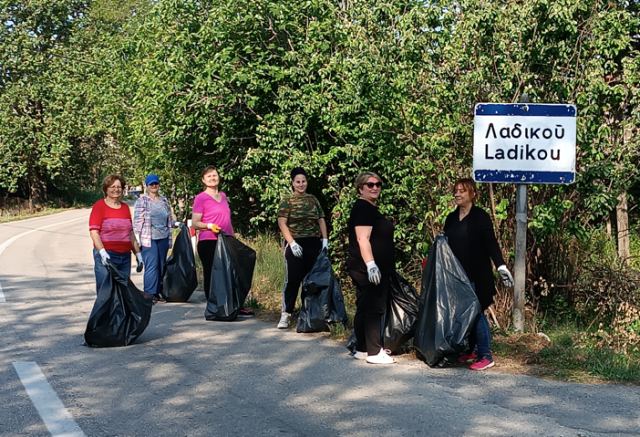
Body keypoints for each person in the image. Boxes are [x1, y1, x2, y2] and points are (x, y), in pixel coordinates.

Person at [443, 177, 514, 371]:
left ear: (472, 194)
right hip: (458, 276)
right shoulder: (451, 218)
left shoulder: (480, 217)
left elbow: (491, 243)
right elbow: (444, 246)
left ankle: (486, 355)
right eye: (456, 190)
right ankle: (472, 350)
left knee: (477, 313)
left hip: (478, 275)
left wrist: (501, 266)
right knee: (466, 313)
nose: (457, 194)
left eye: (462, 191)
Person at [347, 171, 396, 364]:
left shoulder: (368, 208)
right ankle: (375, 351)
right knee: (374, 307)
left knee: (364, 306)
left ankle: (362, 348)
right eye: (370, 185)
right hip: (367, 267)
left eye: (378, 184)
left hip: (366, 266)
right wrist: (371, 265)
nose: (375, 187)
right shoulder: (363, 209)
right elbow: (362, 238)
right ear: (361, 188)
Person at [276, 167, 328, 329]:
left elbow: (320, 219)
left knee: (312, 280)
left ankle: (311, 314)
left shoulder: (313, 200)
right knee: (293, 280)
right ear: (292, 183)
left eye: (303, 181)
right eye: (297, 181)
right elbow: (282, 222)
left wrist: (325, 239)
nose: (301, 184)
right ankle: (286, 314)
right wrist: (291, 242)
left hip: (313, 242)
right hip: (295, 243)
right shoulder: (287, 200)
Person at [89, 174, 143, 295]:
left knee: (123, 294)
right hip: (107, 256)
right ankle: (104, 315)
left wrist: (138, 254)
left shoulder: (124, 208)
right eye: (112, 186)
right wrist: (102, 252)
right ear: (106, 189)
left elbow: (130, 234)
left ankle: (120, 315)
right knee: (106, 293)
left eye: (119, 187)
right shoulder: (99, 206)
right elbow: (94, 232)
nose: (116, 189)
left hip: (124, 257)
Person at [133, 174, 179, 303]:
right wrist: (137, 241)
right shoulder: (142, 201)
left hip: (163, 237)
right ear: (146, 186)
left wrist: (178, 224)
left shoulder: (164, 200)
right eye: (151, 184)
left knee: (161, 265)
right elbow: (137, 222)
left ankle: (158, 291)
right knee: (152, 266)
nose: (154, 186)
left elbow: (169, 220)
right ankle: (149, 294)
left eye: (156, 184)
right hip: (149, 238)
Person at [191, 166, 234, 300]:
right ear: (203, 180)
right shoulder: (200, 198)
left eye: (214, 175)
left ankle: (226, 302)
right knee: (211, 272)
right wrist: (209, 225)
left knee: (226, 272)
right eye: (209, 176)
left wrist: (233, 237)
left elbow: (227, 219)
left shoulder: (223, 196)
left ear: (219, 177)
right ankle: (212, 304)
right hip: (208, 241)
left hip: (226, 240)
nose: (212, 178)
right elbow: (195, 223)